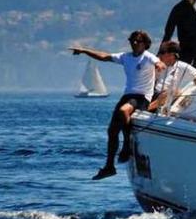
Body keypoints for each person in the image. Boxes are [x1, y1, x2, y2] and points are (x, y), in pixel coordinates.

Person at [70, 30, 165, 180]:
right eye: (132, 41)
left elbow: (158, 62)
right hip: (127, 96)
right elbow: (104, 56)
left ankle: (127, 145)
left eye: (138, 41)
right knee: (112, 131)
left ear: (145, 44)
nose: (134, 43)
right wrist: (84, 50)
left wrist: (160, 65)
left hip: (141, 98)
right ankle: (109, 167)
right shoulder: (125, 57)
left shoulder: (147, 57)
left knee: (123, 111)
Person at [148, 40, 196, 113]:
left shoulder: (182, 66)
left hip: (168, 96)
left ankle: (148, 109)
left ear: (172, 55)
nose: (160, 55)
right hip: (153, 93)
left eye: (163, 53)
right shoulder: (157, 64)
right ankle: (147, 108)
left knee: (175, 92)